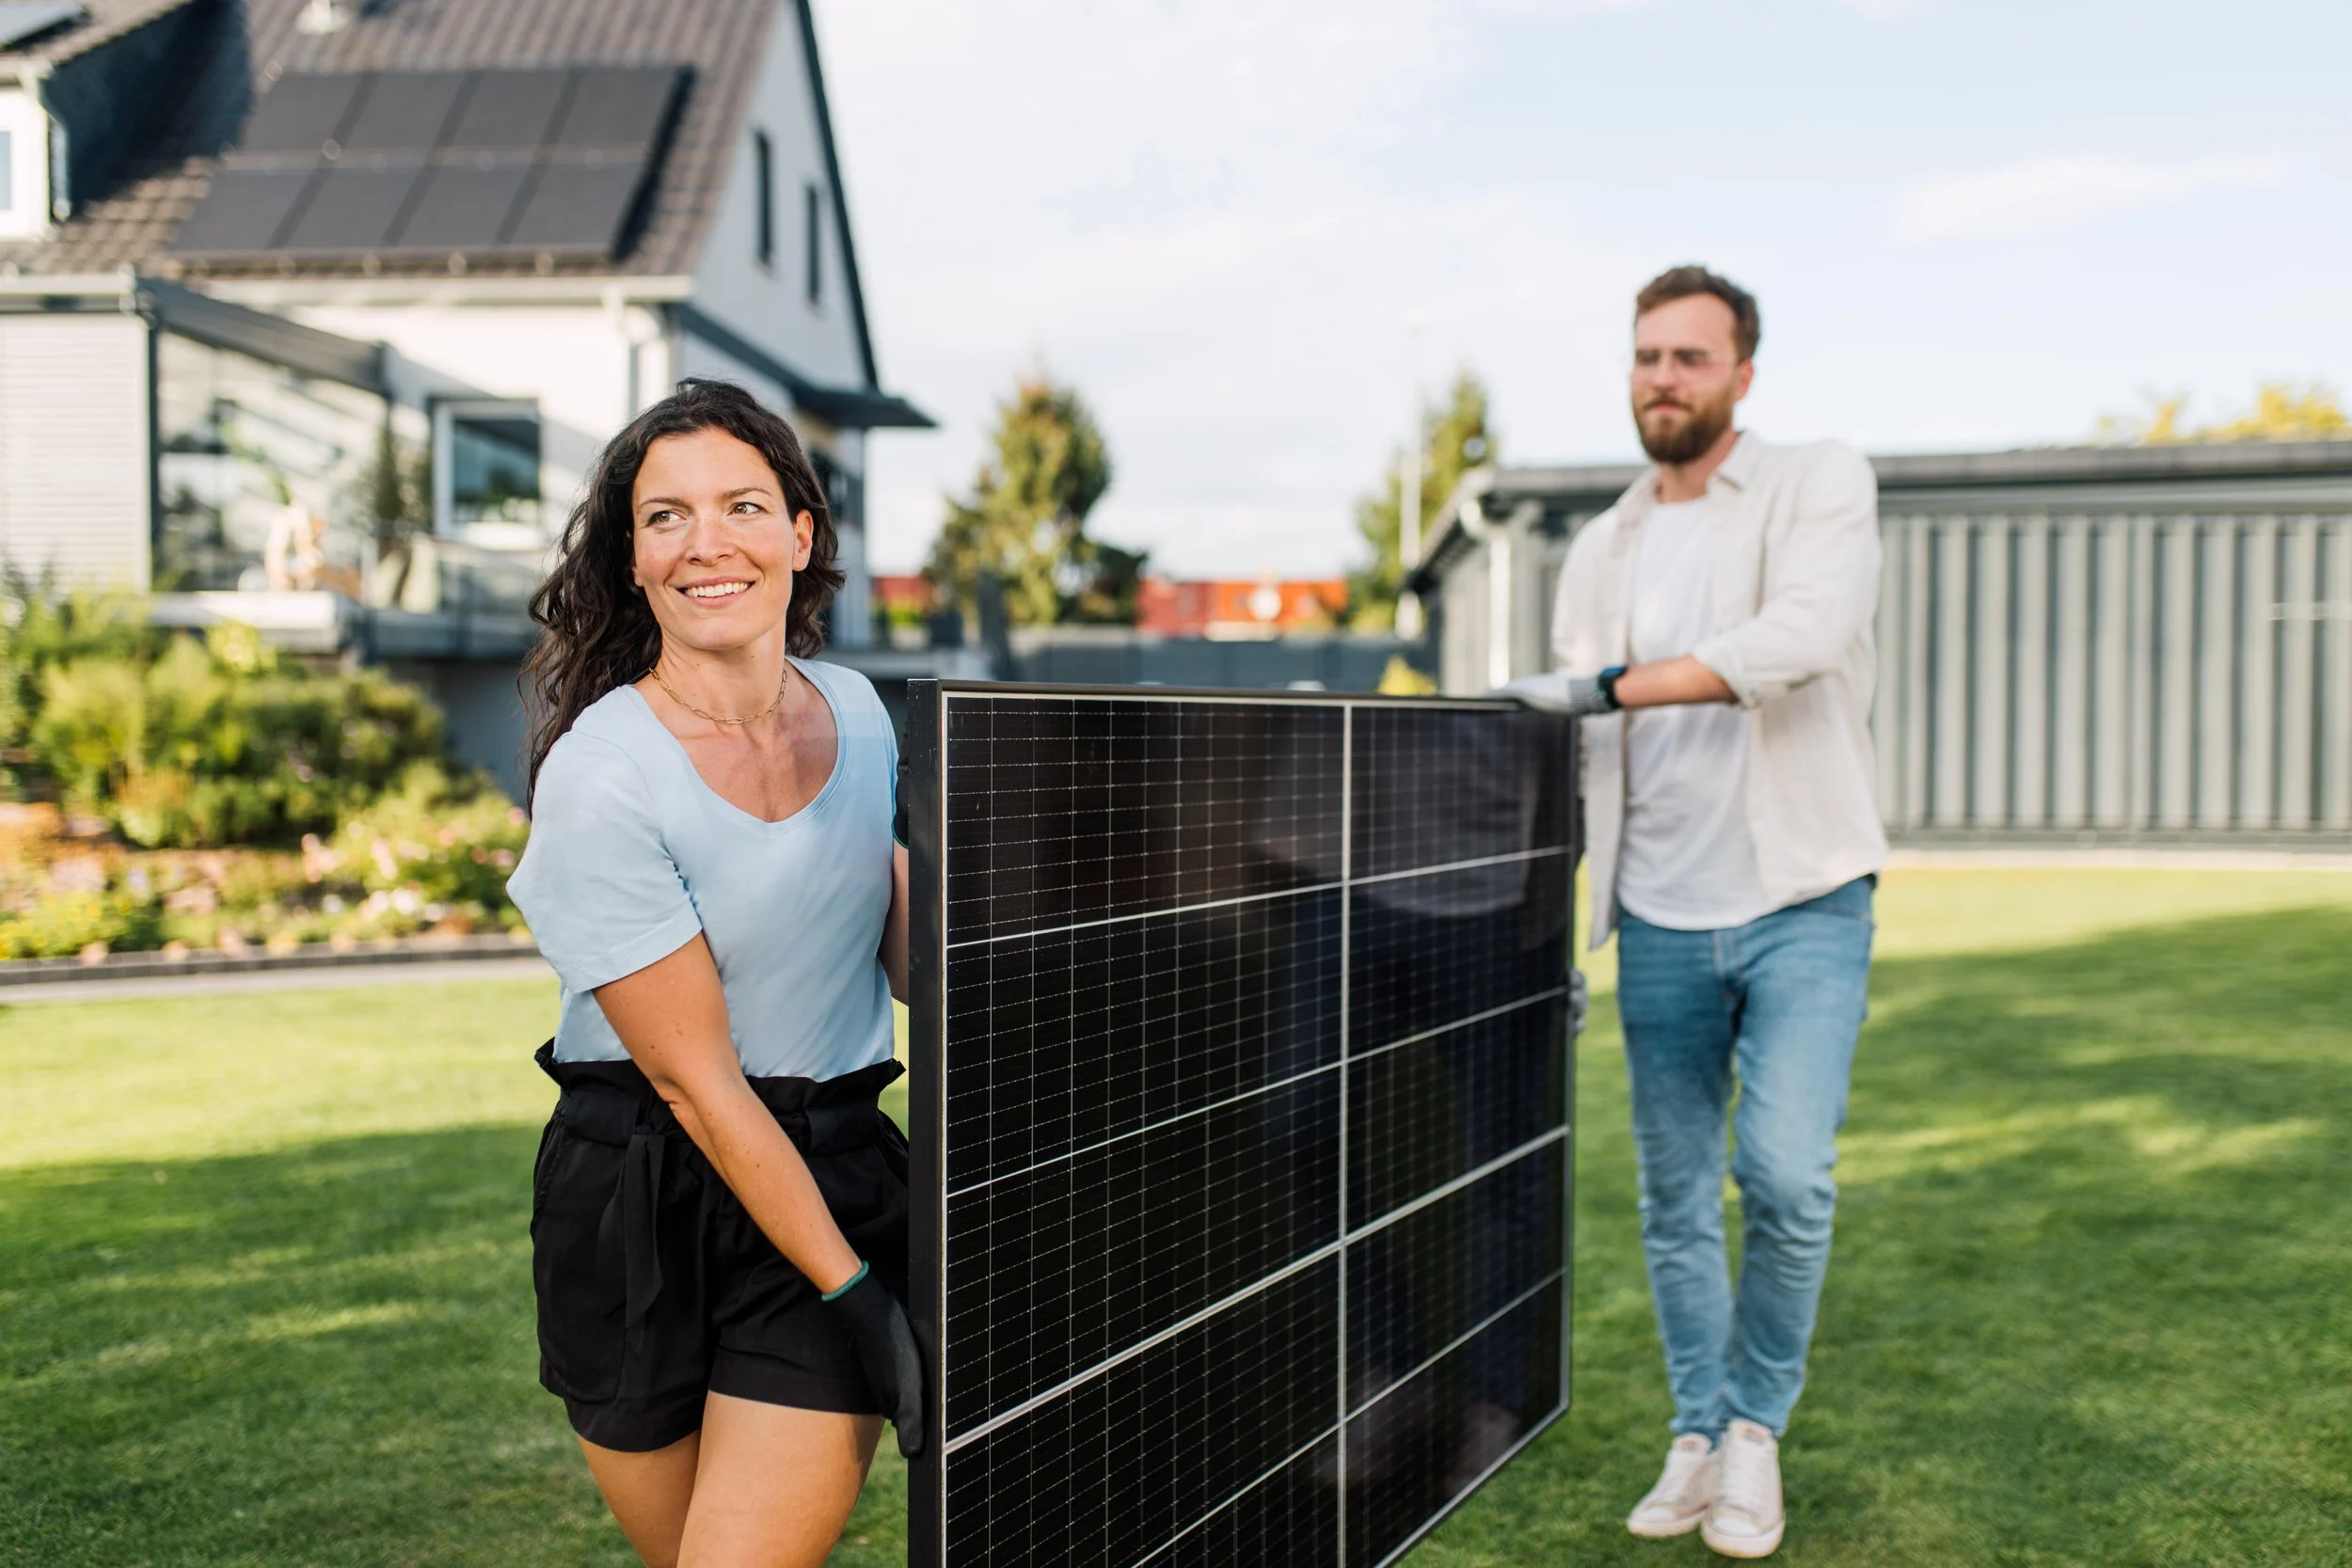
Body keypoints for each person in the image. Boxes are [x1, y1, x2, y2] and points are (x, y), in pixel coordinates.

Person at [506, 378, 922, 1568]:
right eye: (666, 516)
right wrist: (861, 1299)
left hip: (825, 1173)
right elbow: (696, 1081)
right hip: (635, 1197)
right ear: (633, 560)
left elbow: (906, 962)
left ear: (799, 533)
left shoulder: (861, 712)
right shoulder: (605, 771)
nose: (706, 543)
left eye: (741, 505)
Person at [1507, 266, 1884, 1560]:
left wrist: (1608, 683)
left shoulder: (1817, 480)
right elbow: (1578, 755)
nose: (1662, 377)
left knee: (1783, 1173)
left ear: (1742, 374)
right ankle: (1697, 1431)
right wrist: (1545, 927)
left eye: (1690, 356)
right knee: (1672, 1197)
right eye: (1646, 354)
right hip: (1659, 915)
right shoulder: (1601, 544)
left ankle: (1754, 1428)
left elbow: (1799, 638)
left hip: (1803, 898)